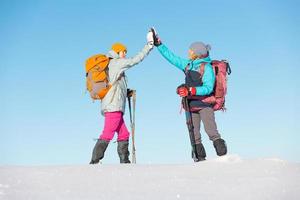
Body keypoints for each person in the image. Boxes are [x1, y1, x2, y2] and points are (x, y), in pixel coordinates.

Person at [151, 28, 227, 161]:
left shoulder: (206, 67)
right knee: (194, 135)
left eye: (190, 51)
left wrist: (190, 90)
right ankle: (200, 160)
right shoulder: (187, 65)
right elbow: (172, 58)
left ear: (197, 53)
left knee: (212, 132)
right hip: (191, 105)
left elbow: (208, 88)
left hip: (204, 104)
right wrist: (159, 45)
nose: (188, 52)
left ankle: (224, 158)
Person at [89, 31, 154, 164]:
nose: (125, 54)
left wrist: (126, 92)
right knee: (107, 133)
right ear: (117, 52)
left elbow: (115, 85)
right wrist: (149, 46)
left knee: (124, 134)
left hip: (113, 105)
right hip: (114, 106)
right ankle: (94, 162)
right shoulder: (116, 63)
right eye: (123, 52)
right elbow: (135, 60)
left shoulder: (110, 65)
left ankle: (125, 162)